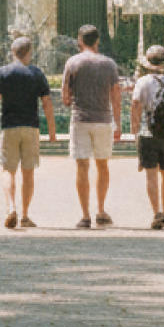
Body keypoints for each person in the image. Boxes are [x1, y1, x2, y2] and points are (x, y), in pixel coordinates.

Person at [0, 36, 56, 229]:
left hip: (9, 127)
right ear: (29, 52)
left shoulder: (3, 72)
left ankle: (11, 208)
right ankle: (24, 215)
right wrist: (52, 131)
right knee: (28, 172)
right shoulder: (37, 73)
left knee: (8, 170)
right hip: (31, 127)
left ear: (13, 53)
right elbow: (47, 103)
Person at [60, 24, 121, 229]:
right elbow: (116, 96)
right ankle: (101, 210)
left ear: (80, 41)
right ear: (97, 41)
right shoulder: (109, 64)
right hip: (103, 119)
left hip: (80, 119)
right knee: (102, 165)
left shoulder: (72, 63)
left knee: (82, 167)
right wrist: (117, 122)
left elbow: (65, 96)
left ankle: (85, 215)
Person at [129, 45, 164, 230]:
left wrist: (134, 129)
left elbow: (136, 105)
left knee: (151, 174)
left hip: (148, 132)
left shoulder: (143, 82)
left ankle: (156, 213)